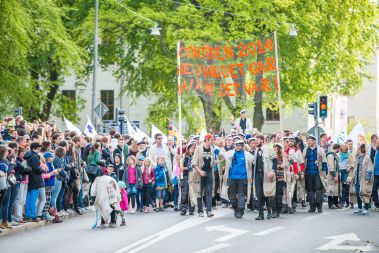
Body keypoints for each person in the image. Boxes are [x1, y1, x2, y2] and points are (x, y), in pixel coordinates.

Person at [222, 140, 253, 218]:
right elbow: (221, 155)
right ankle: (235, 207)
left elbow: (254, 160)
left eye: (239, 145)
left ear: (242, 146)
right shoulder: (230, 153)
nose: (238, 146)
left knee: (241, 195)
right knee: (231, 195)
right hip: (231, 177)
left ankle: (240, 211)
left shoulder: (247, 155)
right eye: (236, 145)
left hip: (243, 178)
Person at [191, 133, 215, 217]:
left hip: (209, 173)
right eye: (212, 140)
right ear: (207, 139)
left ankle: (209, 210)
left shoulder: (212, 149)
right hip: (199, 173)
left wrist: (214, 162)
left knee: (209, 192)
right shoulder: (198, 148)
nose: (213, 142)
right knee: (199, 192)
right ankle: (200, 211)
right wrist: (200, 171)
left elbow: (211, 160)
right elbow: (194, 163)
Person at [303, 135, 327, 213]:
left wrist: (323, 172)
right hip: (308, 173)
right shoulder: (306, 149)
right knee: (310, 190)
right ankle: (312, 207)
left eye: (310, 140)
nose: (308, 142)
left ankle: (319, 207)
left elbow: (324, 161)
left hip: (318, 173)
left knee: (318, 190)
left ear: (314, 141)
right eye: (307, 140)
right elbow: (303, 161)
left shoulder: (320, 149)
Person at [24, 142, 46, 222]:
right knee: (33, 199)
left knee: (28, 198)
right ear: (33, 149)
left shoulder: (27, 155)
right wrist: (42, 170)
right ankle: (33, 215)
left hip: (29, 178)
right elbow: (36, 168)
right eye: (38, 149)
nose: (39, 151)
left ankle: (28, 214)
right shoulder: (34, 156)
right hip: (36, 179)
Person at [351, 144, 374, 215]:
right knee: (358, 194)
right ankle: (360, 208)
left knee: (365, 194)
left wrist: (368, 179)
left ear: (361, 149)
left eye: (358, 148)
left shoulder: (367, 158)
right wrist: (352, 177)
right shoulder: (358, 157)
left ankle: (366, 208)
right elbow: (355, 168)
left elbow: (370, 169)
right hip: (357, 179)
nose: (357, 150)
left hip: (364, 180)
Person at [285, 137, 305, 213]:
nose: (290, 143)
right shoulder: (285, 151)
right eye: (289, 142)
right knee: (287, 189)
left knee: (295, 188)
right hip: (287, 171)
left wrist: (301, 172)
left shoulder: (298, 151)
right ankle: (287, 204)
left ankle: (294, 202)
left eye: (292, 142)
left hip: (296, 171)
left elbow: (302, 162)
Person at [180, 141, 196, 215]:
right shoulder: (183, 156)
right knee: (184, 193)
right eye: (191, 147)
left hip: (193, 176)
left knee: (192, 193)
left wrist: (185, 168)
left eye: (194, 147)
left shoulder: (195, 156)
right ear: (188, 148)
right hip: (185, 176)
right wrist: (178, 160)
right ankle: (183, 209)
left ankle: (191, 209)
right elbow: (180, 167)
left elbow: (193, 166)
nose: (192, 149)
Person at [326, 144, 342, 209]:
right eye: (339, 149)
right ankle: (330, 204)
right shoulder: (330, 155)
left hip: (336, 173)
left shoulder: (335, 155)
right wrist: (334, 175)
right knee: (331, 190)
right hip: (332, 175)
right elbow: (330, 166)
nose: (339, 150)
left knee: (336, 190)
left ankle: (336, 203)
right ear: (337, 148)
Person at [338, 144, 355, 208]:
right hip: (340, 172)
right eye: (343, 150)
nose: (344, 151)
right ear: (341, 150)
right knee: (344, 187)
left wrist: (350, 167)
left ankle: (342, 202)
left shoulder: (349, 155)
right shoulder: (338, 155)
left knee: (345, 186)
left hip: (346, 172)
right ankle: (347, 202)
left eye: (345, 150)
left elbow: (354, 163)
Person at [371, 138, 379, 211]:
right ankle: (377, 204)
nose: (376, 143)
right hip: (376, 174)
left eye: (377, 142)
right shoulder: (376, 151)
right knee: (374, 189)